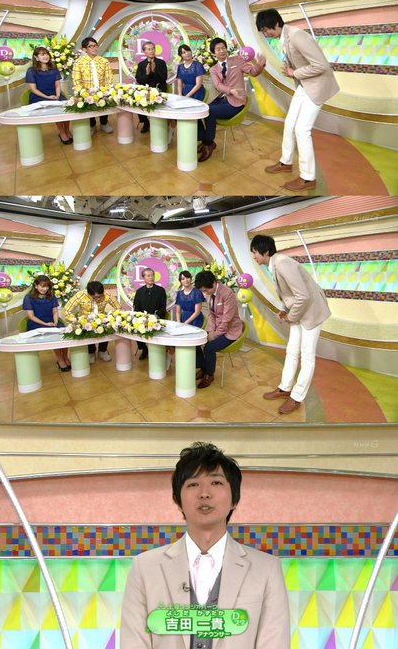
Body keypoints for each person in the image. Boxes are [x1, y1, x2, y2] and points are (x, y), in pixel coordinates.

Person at [121, 441, 290, 648]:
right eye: (193, 484)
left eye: (216, 483)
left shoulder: (267, 569)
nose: (204, 493)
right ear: (177, 500)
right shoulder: (145, 567)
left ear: (234, 499)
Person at [256, 8, 340, 192]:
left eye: (266, 29)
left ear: (276, 23)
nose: (266, 34)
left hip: (316, 86)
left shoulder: (297, 36)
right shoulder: (285, 37)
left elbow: (321, 65)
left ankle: (308, 178)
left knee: (302, 129)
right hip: (304, 86)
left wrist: (295, 72)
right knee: (290, 123)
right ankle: (286, 162)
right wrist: (291, 68)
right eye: (263, 31)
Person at [250, 234, 331, 414]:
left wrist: (290, 317)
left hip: (312, 313)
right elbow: (290, 294)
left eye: (255, 252)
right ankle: (285, 388)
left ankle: (297, 397)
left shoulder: (283, 264)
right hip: (300, 311)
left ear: (266, 251)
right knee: (292, 351)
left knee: (307, 357)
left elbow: (303, 296)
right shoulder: (275, 264)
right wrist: (284, 310)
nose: (254, 256)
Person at [197, 37, 265, 163]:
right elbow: (218, 85)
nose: (222, 51)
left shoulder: (237, 60)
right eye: (218, 49)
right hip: (223, 99)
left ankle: (208, 143)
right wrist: (230, 90)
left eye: (223, 48)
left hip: (236, 102)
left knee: (209, 111)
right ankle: (205, 139)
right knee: (203, 110)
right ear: (213, 53)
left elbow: (252, 71)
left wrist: (260, 64)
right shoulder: (213, 69)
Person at [193, 270, 243, 389]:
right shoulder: (209, 293)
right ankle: (204, 369)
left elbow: (226, 320)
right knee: (196, 340)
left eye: (206, 290)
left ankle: (209, 375)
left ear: (214, 283)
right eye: (203, 291)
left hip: (231, 331)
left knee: (209, 348)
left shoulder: (228, 294)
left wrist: (214, 335)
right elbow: (212, 315)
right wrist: (211, 331)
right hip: (217, 329)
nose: (205, 293)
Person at [63, 280, 120, 363]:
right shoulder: (81, 295)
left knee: (106, 328)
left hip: (101, 319)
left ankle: (103, 351)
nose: (97, 299)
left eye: (99, 296)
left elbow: (118, 308)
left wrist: (111, 316)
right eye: (94, 297)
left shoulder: (107, 295)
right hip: (85, 321)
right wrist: (76, 320)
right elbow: (66, 310)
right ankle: (91, 353)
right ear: (89, 293)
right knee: (87, 332)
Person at [23, 274, 71, 371]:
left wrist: (56, 322)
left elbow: (55, 312)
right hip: (36, 323)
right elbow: (31, 316)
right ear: (36, 286)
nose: (45, 289)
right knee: (54, 335)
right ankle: (60, 358)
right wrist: (45, 324)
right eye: (42, 286)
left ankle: (65, 356)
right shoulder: (28, 298)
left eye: (47, 286)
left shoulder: (51, 296)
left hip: (52, 321)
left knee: (64, 332)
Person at [25, 46, 72, 144]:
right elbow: (33, 89)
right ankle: (61, 131)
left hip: (54, 94)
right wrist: (47, 97)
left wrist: (58, 94)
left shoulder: (54, 68)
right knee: (56, 108)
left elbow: (57, 84)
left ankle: (67, 129)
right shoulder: (31, 71)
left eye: (46, 54)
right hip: (39, 96)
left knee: (67, 107)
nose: (45, 56)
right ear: (36, 57)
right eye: (42, 54)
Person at [72, 36, 113, 136]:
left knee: (104, 105)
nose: (94, 48)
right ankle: (92, 125)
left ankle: (104, 123)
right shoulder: (79, 62)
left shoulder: (104, 61)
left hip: (102, 90)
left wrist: (106, 90)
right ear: (84, 49)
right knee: (89, 107)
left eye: (95, 45)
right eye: (91, 46)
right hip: (87, 92)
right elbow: (76, 80)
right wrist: (83, 92)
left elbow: (109, 78)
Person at [133, 268, 167, 360]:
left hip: (157, 319)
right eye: (148, 276)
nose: (151, 277)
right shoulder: (139, 292)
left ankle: (156, 351)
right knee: (136, 329)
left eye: (152, 275)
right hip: (143, 319)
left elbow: (163, 307)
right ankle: (144, 349)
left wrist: (155, 317)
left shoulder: (161, 290)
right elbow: (136, 308)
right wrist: (142, 318)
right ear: (143, 278)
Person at [135, 41, 168, 134]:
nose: (152, 51)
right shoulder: (141, 65)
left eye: (153, 49)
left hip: (159, 89)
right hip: (146, 90)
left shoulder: (161, 63)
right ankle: (146, 122)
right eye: (149, 49)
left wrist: (154, 71)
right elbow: (139, 80)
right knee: (137, 101)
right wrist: (147, 73)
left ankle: (159, 124)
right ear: (144, 51)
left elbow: (164, 78)